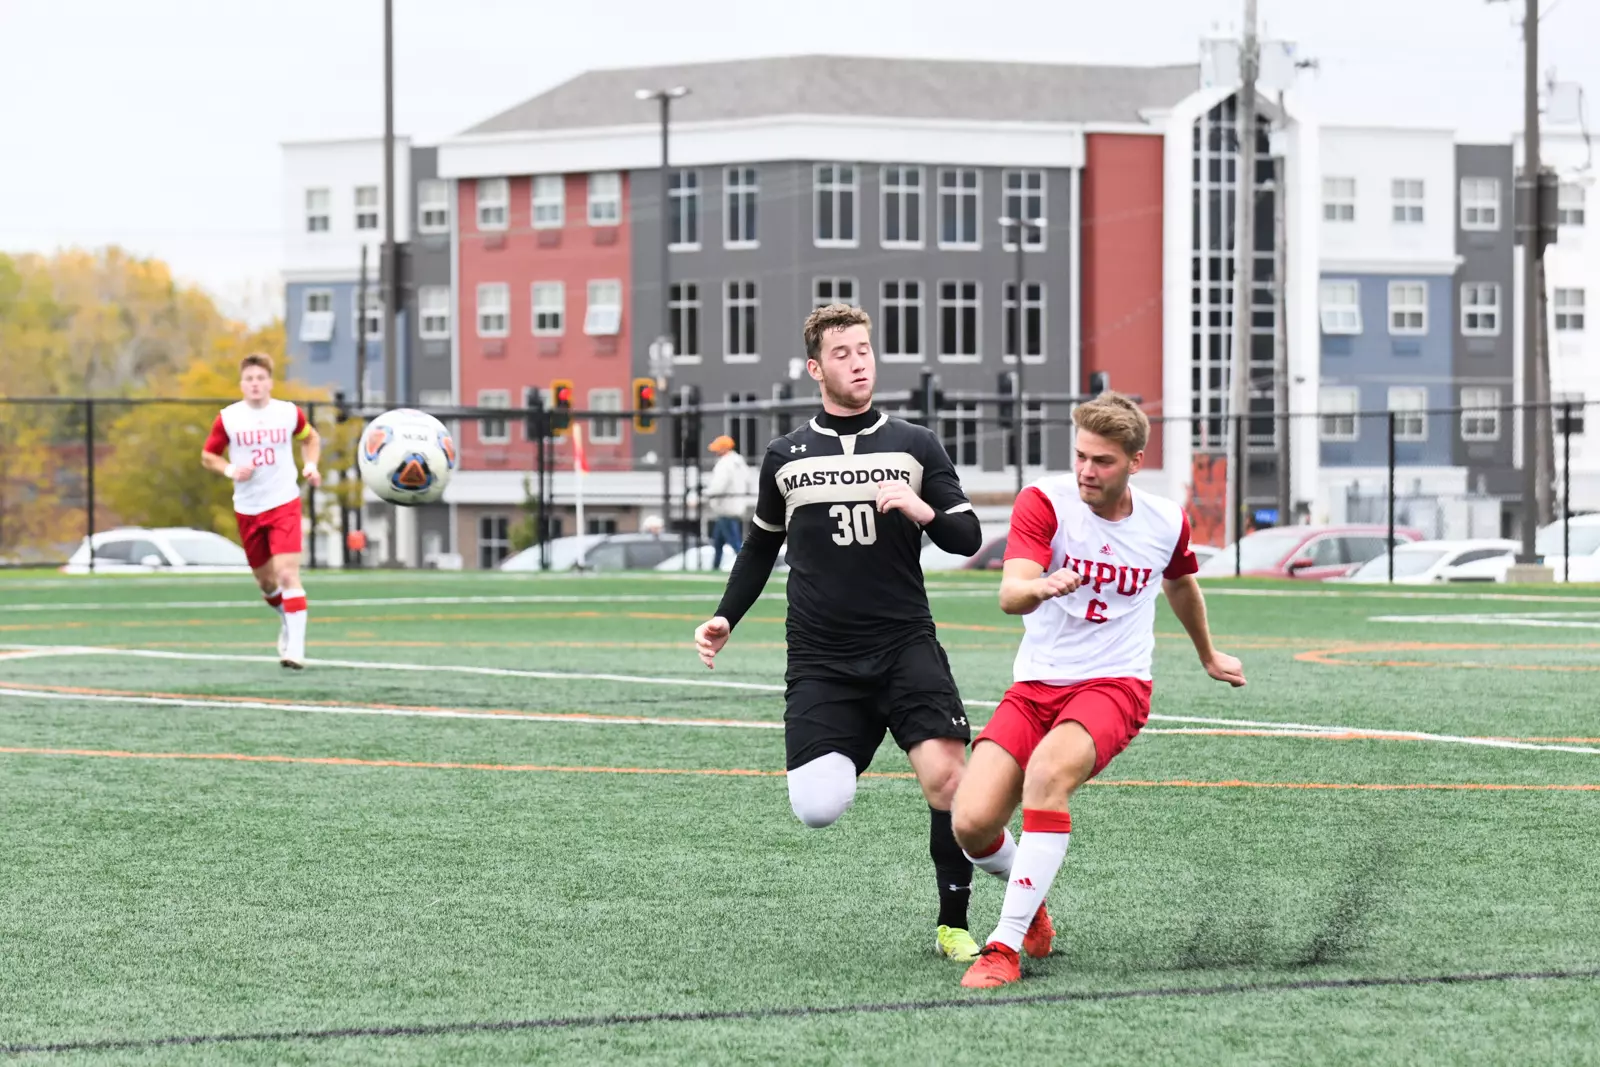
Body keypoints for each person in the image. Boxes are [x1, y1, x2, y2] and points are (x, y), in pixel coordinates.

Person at [693, 303, 987, 961]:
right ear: (815, 367)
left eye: (865, 350)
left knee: (949, 781)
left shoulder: (916, 444)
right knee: (817, 805)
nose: (859, 362)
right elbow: (760, 549)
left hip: (905, 643)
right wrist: (725, 616)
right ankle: (868, 732)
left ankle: (954, 923)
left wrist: (922, 508)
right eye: (844, 353)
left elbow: (967, 535)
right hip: (823, 658)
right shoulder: (784, 457)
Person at [951, 391, 1246, 988]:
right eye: (1081, 455)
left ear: (1135, 461)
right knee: (972, 823)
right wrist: (1040, 588)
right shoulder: (1045, 501)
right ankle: (1030, 902)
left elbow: (1181, 584)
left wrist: (1208, 654)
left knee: (1047, 777)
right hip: (1036, 686)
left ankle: (1003, 947)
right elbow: (1009, 593)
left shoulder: (1165, 519)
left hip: (1115, 684)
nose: (1087, 470)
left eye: (1103, 461)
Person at [200, 353, 322, 669]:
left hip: (283, 502)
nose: (255, 384)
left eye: (260, 378)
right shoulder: (228, 418)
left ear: (270, 382)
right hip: (248, 507)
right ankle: (286, 616)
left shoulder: (287, 413)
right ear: (242, 384)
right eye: (249, 379)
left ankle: (295, 649)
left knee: (287, 573)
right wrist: (230, 470)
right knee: (266, 583)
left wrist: (310, 465)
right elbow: (208, 455)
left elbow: (310, 438)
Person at [704, 434, 750, 568]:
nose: (715, 452)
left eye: (717, 449)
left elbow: (718, 486)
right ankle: (715, 566)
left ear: (724, 449)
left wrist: (706, 495)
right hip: (736, 505)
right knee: (718, 541)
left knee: (734, 541)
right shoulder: (740, 463)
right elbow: (748, 481)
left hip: (726, 507)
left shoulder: (725, 464)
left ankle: (746, 566)